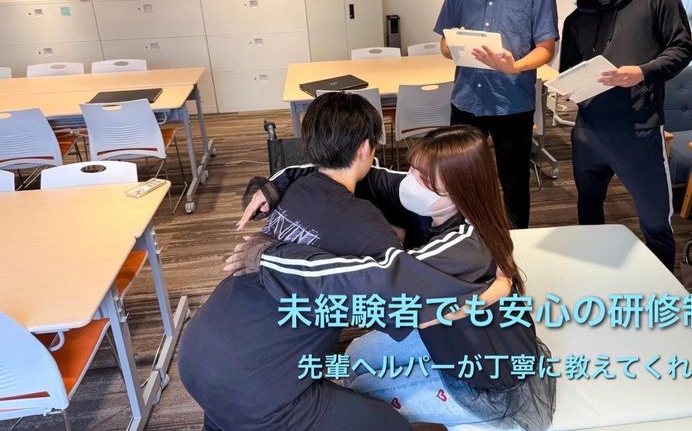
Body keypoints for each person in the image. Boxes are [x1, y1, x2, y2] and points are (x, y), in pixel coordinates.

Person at [179, 93, 500, 431]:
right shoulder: (365, 225)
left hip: (197, 353)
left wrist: (278, 181)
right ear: (365, 148)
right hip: (257, 390)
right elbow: (402, 294)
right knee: (391, 425)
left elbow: (374, 184)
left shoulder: (294, 186)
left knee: (228, 412)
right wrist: (491, 292)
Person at [234, 126, 556, 430]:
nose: (410, 182)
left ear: (460, 189)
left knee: (361, 388)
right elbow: (345, 170)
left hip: (482, 382)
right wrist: (277, 184)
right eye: (413, 169)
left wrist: (270, 257)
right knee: (354, 355)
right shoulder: (435, 200)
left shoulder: (465, 248)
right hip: (446, 340)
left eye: (424, 179)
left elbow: (373, 278)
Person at [553, 0, 692, 271]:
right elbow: (569, 71)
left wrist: (642, 72)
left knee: (655, 219)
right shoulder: (576, 20)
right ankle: (596, 273)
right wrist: (569, 91)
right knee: (589, 210)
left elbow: (682, 49)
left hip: (639, 130)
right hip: (589, 132)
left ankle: (663, 286)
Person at [434, 0, 559, 229]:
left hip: (512, 102)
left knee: (514, 183)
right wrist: (453, 46)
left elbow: (546, 48)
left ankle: (517, 245)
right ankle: (460, 239)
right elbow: (443, 43)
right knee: (460, 179)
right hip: (466, 99)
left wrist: (514, 66)